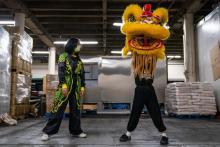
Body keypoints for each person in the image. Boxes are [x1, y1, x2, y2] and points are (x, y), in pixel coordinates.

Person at [119, 4, 169, 145]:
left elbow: (159, 43)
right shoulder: (135, 55)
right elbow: (129, 39)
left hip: (149, 88)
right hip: (140, 88)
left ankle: (163, 134)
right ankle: (129, 133)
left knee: (154, 112)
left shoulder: (153, 57)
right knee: (136, 111)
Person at [41, 38, 86, 141]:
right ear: (73, 45)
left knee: (76, 111)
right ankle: (47, 132)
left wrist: (82, 86)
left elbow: (82, 74)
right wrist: (63, 85)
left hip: (76, 88)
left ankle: (76, 131)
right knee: (58, 110)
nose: (80, 46)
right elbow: (61, 70)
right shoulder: (63, 56)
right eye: (78, 44)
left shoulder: (79, 59)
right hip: (65, 87)